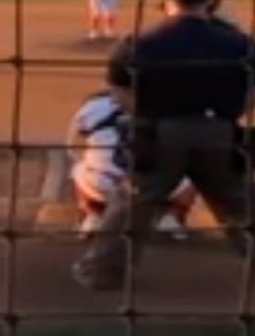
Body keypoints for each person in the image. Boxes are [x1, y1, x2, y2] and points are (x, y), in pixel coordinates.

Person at [73, 0, 255, 291]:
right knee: (244, 203)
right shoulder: (238, 42)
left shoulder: (142, 41)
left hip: (160, 135)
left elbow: (117, 85)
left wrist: (144, 113)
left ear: (169, 3)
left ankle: (102, 272)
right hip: (219, 135)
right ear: (207, 3)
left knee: (133, 205)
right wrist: (231, 112)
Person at [66, 88, 198, 239]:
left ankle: (94, 215)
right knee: (190, 169)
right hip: (156, 186)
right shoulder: (164, 105)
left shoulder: (91, 107)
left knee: (79, 168)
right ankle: (171, 216)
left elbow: (72, 148)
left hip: (104, 184)